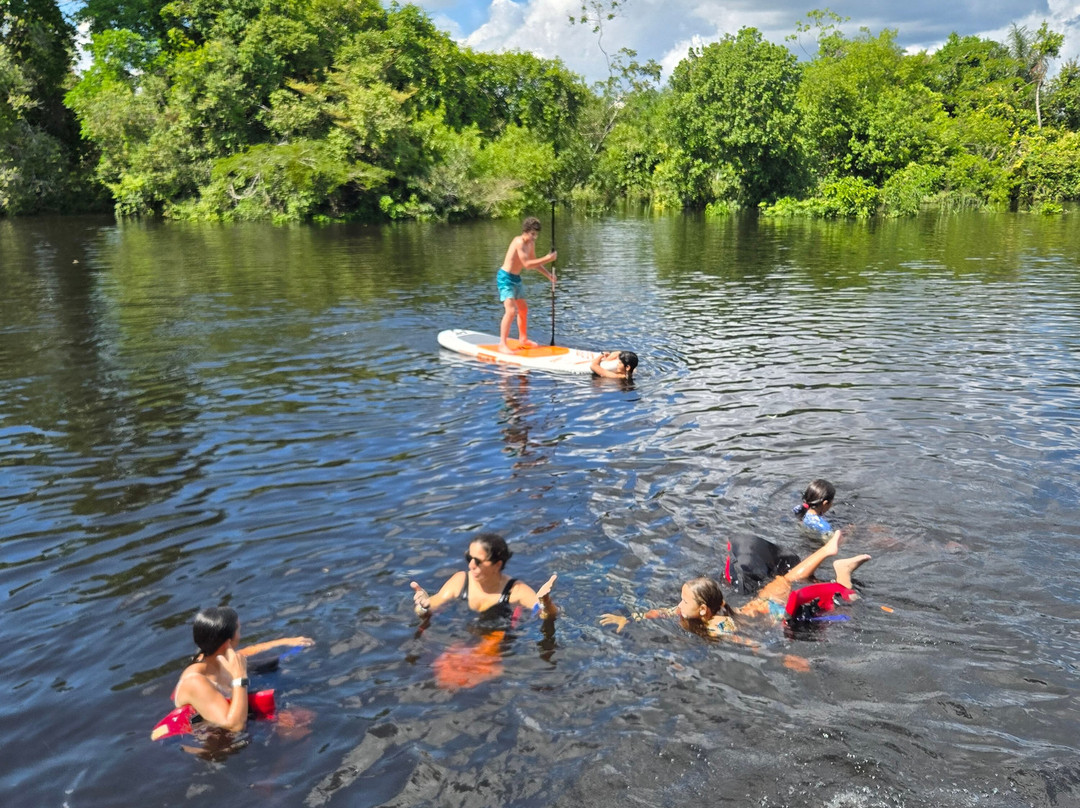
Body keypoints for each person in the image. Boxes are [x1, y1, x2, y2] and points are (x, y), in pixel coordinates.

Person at [601, 530, 870, 636]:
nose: (679, 606)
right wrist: (631, 618)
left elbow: (749, 645)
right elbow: (660, 611)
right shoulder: (698, 611)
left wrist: (786, 655)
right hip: (760, 604)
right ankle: (829, 555)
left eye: (684, 601)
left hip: (774, 612)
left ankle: (842, 573)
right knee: (787, 578)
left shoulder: (720, 626)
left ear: (704, 609)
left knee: (841, 604)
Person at [171, 606, 314, 732]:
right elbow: (235, 726)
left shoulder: (212, 655)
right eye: (239, 630)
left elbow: (248, 652)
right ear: (227, 643)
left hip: (235, 715)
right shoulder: (195, 682)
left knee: (308, 716)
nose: (240, 635)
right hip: (216, 741)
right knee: (300, 730)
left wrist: (287, 641)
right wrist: (240, 678)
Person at [410, 532, 557, 620]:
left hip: (497, 645)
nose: (471, 565)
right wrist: (423, 605)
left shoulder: (516, 591)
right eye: (469, 558)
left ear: (497, 565)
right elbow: (432, 606)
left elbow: (544, 615)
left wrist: (547, 602)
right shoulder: (460, 581)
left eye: (478, 561)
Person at [497, 217, 557, 354]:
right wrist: (549, 258)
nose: (534, 237)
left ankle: (523, 339)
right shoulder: (518, 242)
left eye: (536, 235)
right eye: (533, 234)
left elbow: (534, 262)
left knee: (523, 310)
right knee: (511, 311)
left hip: (516, 278)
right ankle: (502, 344)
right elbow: (527, 265)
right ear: (526, 231)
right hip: (505, 278)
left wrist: (548, 275)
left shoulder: (530, 244)